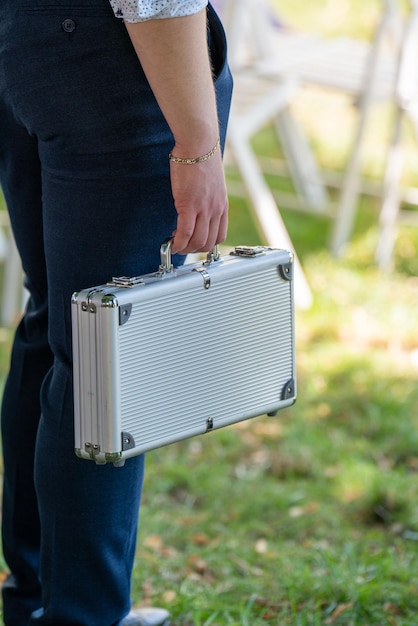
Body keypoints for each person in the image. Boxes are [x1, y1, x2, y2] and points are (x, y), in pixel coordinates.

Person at [0, 0, 233, 624]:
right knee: (104, 355)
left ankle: (37, 599)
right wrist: (197, 143)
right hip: (117, 55)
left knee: (60, 323)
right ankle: (85, 615)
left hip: (26, 39)